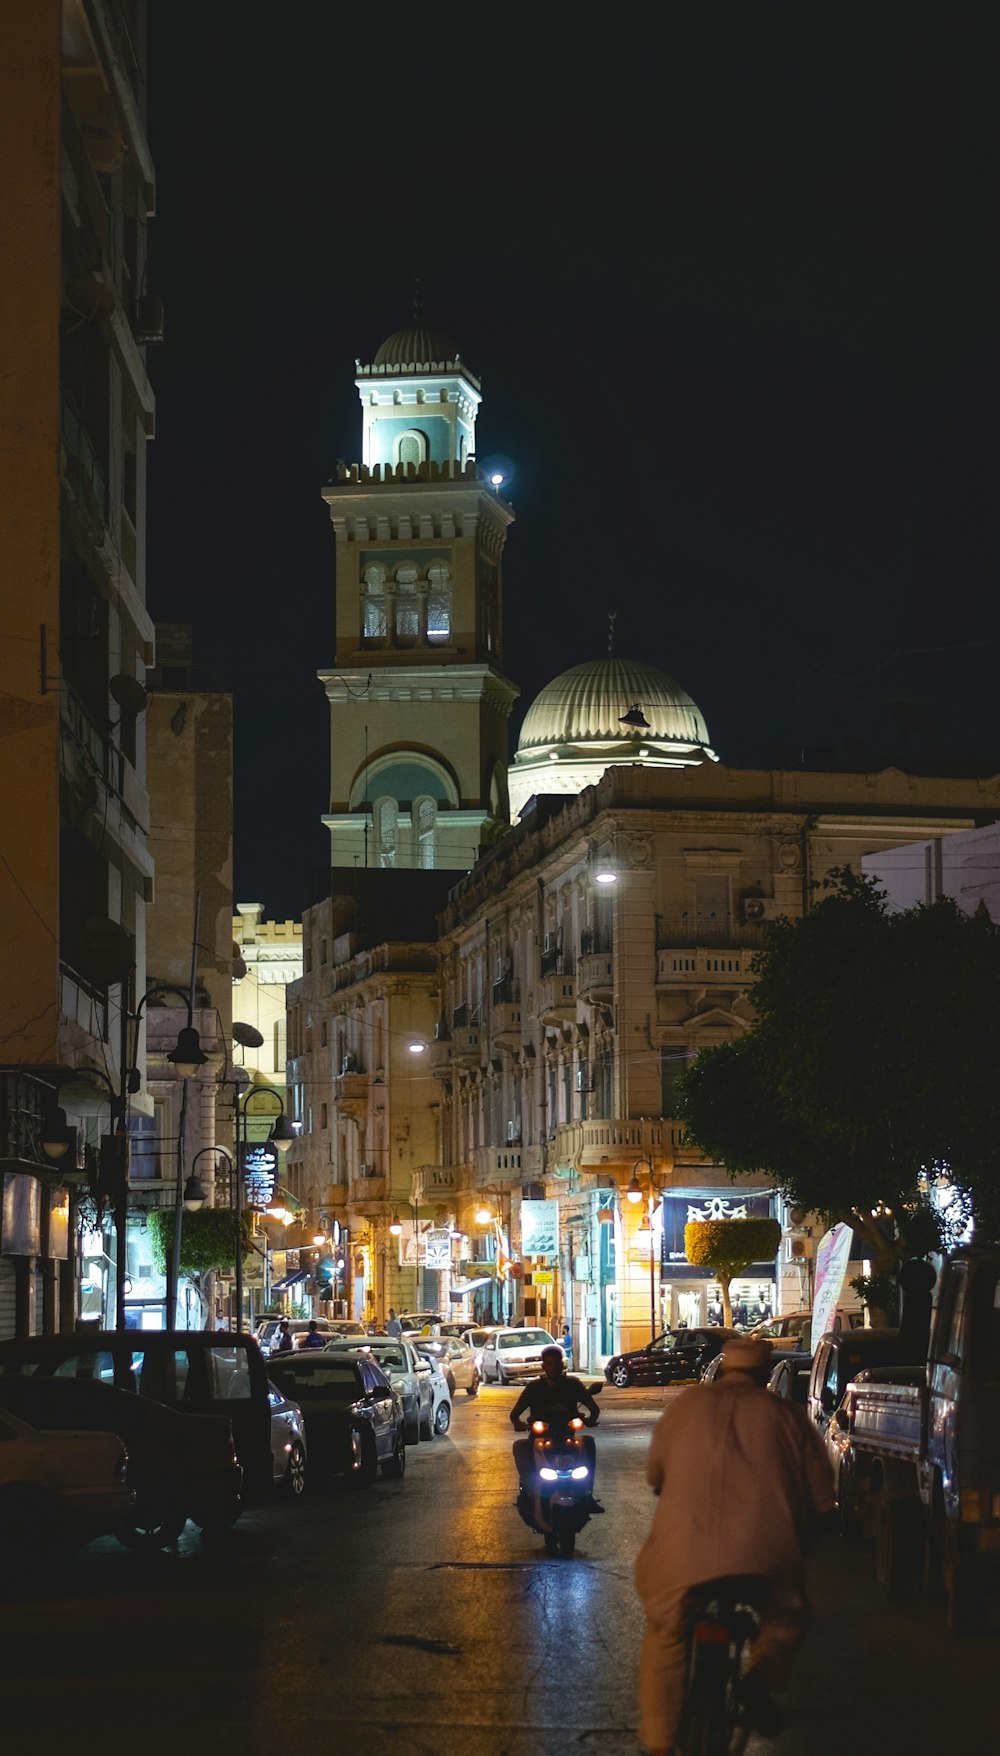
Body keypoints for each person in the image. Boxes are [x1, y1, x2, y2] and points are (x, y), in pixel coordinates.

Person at [634, 1336, 835, 1756]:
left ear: (723, 1370)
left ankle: (658, 1744)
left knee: (667, 1635)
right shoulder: (786, 1417)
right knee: (787, 1615)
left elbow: (655, 1476)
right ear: (765, 1375)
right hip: (764, 1557)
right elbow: (822, 1499)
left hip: (680, 1561)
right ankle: (759, 1682)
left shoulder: (686, 1406)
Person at [510, 1345, 603, 1506]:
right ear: (544, 1366)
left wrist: (590, 1419)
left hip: (567, 1435)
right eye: (549, 1363)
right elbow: (515, 1412)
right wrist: (518, 1423)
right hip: (540, 1437)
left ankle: (587, 1493)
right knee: (520, 1446)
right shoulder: (534, 1388)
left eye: (557, 1363)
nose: (554, 1367)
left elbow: (592, 1407)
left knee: (588, 1442)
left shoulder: (573, 1384)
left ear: (562, 1364)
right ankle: (530, 1490)